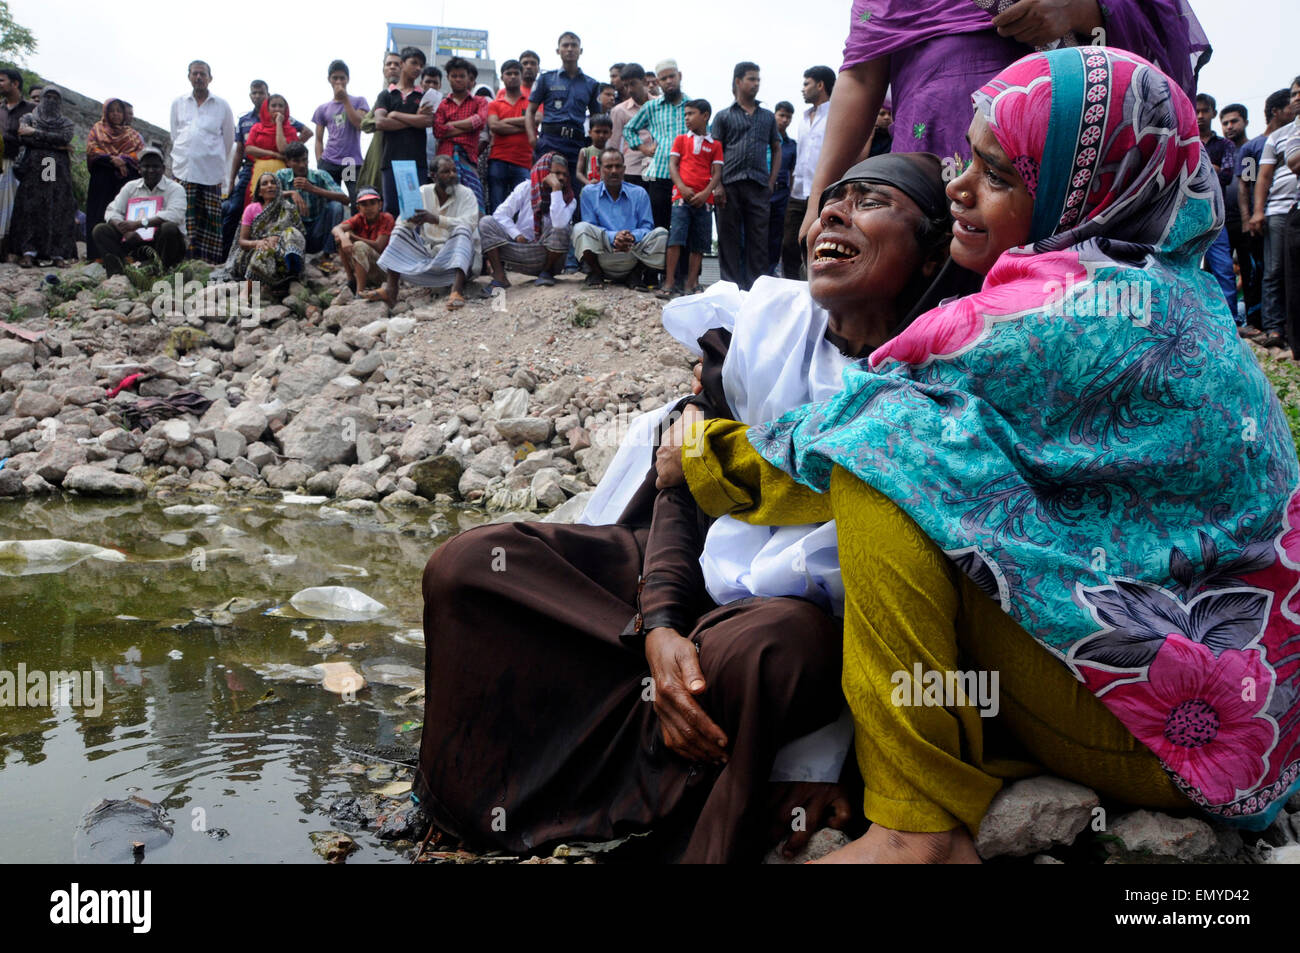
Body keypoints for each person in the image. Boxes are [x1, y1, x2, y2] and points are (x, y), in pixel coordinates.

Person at [657, 47, 1300, 862]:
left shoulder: (1053, 311)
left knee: (882, 453)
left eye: (996, 174)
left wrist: (702, 456)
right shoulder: (1174, 289)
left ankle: (911, 828)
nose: (958, 186)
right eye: (967, 158)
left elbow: (843, 434)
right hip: (1256, 727)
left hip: (1176, 747)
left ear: (1079, 184)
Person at [414, 151, 972, 864]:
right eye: (833, 198)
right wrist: (661, 624)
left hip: (808, 619)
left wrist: (831, 760)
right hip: (694, 573)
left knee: (758, 656)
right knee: (470, 567)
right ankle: (476, 807)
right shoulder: (763, 330)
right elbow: (679, 481)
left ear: (929, 255)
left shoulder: (939, 379)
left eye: (871, 202)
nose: (833, 212)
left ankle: (677, 811)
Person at [797, 0, 1211, 247]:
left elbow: (1158, 23)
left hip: (1048, 151)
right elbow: (861, 73)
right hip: (924, 147)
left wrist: (1082, 9)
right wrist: (821, 201)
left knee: (1047, 301)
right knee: (927, 289)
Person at [371, 154, 479, 310]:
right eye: (446, 172)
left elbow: (471, 223)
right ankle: (391, 290)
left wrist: (436, 219)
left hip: (458, 262)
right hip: (428, 257)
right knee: (401, 230)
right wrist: (411, 219)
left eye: (454, 171)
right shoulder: (421, 192)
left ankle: (456, 292)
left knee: (462, 229)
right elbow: (401, 222)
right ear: (433, 176)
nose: (452, 175)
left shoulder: (466, 193)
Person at [711, 62, 780, 290]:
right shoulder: (723, 116)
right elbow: (716, 152)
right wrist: (717, 185)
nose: (756, 84)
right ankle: (730, 291)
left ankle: (755, 292)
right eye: (751, 79)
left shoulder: (768, 117)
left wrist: (771, 182)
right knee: (728, 240)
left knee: (759, 242)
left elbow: (776, 148)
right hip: (729, 184)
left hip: (759, 185)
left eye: (758, 79)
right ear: (738, 81)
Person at [1249, 77, 1300, 353]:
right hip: (1280, 211)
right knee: (1275, 270)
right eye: (1293, 94)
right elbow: (1261, 177)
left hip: (1295, 211)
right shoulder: (1276, 139)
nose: (1296, 98)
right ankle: (1274, 328)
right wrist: (1257, 212)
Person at [1238, 90, 1294, 336]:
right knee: (1266, 270)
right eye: (1290, 104)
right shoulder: (1254, 148)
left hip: (1287, 213)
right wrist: (1250, 214)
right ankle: (1267, 324)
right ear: (1276, 111)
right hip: (1267, 215)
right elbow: (1248, 182)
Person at [170, 60, 236, 264]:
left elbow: (228, 140)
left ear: (210, 78)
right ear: (189, 76)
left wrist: (210, 157)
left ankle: (209, 265)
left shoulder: (222, 105)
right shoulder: (178, 103)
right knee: (186, 219)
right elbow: (175, 135)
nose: (198, 77)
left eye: (203, 74)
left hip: (210, 172)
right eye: (195, 74)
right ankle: (184, 262)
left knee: (210, 221)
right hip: (184, 171)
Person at [480, 152, 576, 290]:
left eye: (564, 174)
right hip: (520, 249)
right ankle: (500, 277)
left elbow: (559, 224)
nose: (561, 178)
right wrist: (517, 235)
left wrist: (556, 190)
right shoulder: (526, 187)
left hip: (548, 254)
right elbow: (500, 214)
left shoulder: (570, 199)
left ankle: (546, 273)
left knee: (563, 228)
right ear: (544, 171)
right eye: (556, 173)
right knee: (486, 222)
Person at [572, 148, 667, 287]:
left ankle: (635, 275)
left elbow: (648, 227)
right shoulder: (589, 192)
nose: (614, 171)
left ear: (624, 169)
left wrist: (632, 237)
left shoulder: (639, 193)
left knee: (662, 234)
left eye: (618, 166)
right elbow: (589, 225)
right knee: (580, 228)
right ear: (599, 170)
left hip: (633, 253)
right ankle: (596, 272)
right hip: (602, 253)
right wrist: (614, 236)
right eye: (608, 166)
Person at [659, 99, 723, 298]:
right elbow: (673, 165)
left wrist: (706, 194)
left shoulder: (715, 145)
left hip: (705, 201)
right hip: (681, 197)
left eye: (691, 114)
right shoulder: (680, 140)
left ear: (705, 116)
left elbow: (717, 173)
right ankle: (669, 282)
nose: (687, 118)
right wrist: (681, 187)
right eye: (685, 114)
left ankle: (689, 285)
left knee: (699, 244)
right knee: (675, 240)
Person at [94, 144, 187, 274]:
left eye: (155, 166)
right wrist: (125, 230)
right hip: (134, 239)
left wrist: (138, 224)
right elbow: (112, 211)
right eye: (146, 166)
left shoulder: (176, 189)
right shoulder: (130, 187)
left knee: (169, 228)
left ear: (164, 169)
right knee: (101, 230)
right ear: (139, 169)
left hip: (163, 243)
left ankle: (162, 271)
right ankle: (120, 273)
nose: (151, 170)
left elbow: (175, 215)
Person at [11, 85, 77, 267]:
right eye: (48, 96)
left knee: (56, 207)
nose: (52, 101)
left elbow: (65, 137)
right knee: (31, 207)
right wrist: (51, 140)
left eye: (56, 98)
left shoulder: (66, 122)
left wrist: (36, 134)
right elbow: (24, 137)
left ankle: (57, 253)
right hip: (33, 167)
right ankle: (28, 251)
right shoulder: (29, 117)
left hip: (56, 167)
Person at [213, 170, 306, 290]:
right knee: (265, 249)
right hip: (254, 253)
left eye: (273, 182)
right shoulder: (251, 209)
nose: (270, 185)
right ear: (260, 192)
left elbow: (300, 234)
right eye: (265, 183)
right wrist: (259, 243)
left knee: (292, 232)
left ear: (279, 187)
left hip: (281, 251)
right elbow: (242, 242)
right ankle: (247, 292)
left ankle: (292, 271)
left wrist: (279, 237)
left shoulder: (288, 208)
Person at [781, 66, 833, 280]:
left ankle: (814, 290)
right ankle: (792, 289)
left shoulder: (836, 113)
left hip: (824, 192)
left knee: (819, 244)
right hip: (798, 191)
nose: (803, 89)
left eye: (806, 84)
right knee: (789, 244)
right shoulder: (802, 119)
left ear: (820, 85)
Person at [526, 32, 602, 174]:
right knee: (546, 188)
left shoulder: (592, 84)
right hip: (549, 141)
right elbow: (530, 111)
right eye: (565, 45)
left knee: (575, 189)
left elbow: (596, 117)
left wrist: (593, 145)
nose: (570, 49)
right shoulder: (545, 79)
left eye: (574, 45)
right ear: (558, 51)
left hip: (577, 144)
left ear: (580, 51)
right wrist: (532, 139)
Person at [375, 47, 435, 216]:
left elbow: (427, 121)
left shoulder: (424, 96)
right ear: (402, 64)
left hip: (417, 162)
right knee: (391, 210)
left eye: (421, 65)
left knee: (414, 211)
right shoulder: (386, 95)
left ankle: (411, 244)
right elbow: (380, 122)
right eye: (414, 63)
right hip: (390, 160)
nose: (418, 68)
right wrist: (413, 120)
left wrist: (395, 115)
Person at [83, 98, 144, 262]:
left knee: (122, 215)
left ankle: (123, 254)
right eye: (112, 110)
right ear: (106, 112)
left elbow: (140, 155)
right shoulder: (97, 129)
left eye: (119, 110)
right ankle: (97, 256)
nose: (116, 114)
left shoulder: (132, 135)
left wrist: (124, 160)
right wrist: (112, 159)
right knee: (99, 214)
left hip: (124, 181)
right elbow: (92, 150)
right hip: (102, 180)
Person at [1198, 93, 1238, 318]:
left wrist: (1202, 170)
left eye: (1205, 110)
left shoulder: (1225, 145)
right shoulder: (1186, 138)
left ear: (1213, 112)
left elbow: (1227, 175)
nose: (1201, 115)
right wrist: (1212, 169)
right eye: (1197, 111)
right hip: (1188, 216)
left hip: (1216, 215)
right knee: (1185, 268)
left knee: (1223, 268)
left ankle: (1230, 320)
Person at [433, 57, 490, 214]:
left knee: (472, 202)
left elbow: (479, 121)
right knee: (443, 202)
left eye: (462, 76)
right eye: (454, 76)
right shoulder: (442, 104)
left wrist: (450, 125)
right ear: (448, 78)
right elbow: (438, 130)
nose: (458, 79)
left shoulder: (480, 101)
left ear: (468, 77)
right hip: (445, 159)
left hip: (469, 158)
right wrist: (467, 127)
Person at [313, 60, 369, 208]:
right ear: (329, 80)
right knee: (330, 204)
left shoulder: (359, 101)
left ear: (348, 79)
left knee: (356, 200)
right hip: (329, 162)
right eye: (335, 78)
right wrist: (320, 163)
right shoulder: (322, 109)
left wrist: (345, 100)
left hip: (350, 162)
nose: (338, 81)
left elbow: (359, 124)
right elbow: (318, 139)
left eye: (342, 78)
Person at [276, 142, 348, 254]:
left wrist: (312, 188)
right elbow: (264, 196)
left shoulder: (320, 175)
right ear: (288, 162)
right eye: (296, 161)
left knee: (336, 206)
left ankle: (328, 254)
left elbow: (345, 199)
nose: (302, 165)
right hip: (294, 230)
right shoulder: (281, 175)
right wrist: (291, 193)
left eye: (304, 160)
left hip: (317, 229)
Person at [485, 60, 532, 213]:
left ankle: (519, 237)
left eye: (516, 73)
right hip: (499, 159)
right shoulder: (494, 104)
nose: (512, 77)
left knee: (523, 207)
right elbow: (494, 126)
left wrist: (505, 122)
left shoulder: (531, 102)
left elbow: (536, 120)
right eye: (508, 74)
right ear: (502, 77)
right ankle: (496, 236)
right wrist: (525, 126)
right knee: (497, 204)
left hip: (523, 161)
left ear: (522, 76)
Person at [333, 186, 394, 296]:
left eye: (372, 203)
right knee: (340, 238)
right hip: (366, 268)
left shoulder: (386, 218)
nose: (369, 207)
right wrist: (344, 238)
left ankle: (359, 292)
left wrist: (352, 237)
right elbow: (336, 229)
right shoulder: (359, 218)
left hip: (383, 272)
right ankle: (352, 280)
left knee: (359, 245)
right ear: (358, 208)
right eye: (364, 204)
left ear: (380, 205)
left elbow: (379, 245)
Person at [241, 94, 300, 205]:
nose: (277, 109)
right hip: (259, 173)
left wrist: (278, 123)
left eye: (280, 106)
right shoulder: (257, 127)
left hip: (283, 174)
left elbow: (283, 149)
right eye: (273, 106)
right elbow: (248, 149)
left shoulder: (290, 130)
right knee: (257, 205)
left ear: (285, 109)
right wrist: (274, 154)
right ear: (267, 109)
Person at [358, 53, 404, 194]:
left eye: (397, 64)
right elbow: (365, 123)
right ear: (383, 69)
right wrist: (384, 122)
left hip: (404, 155)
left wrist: (391, 120)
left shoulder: (411, 95)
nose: (392, 67)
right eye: (389, 64)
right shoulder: (384, 96)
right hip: (379, 154)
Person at [0, 69, 34, 258]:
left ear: (15, 84)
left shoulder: (30, 109)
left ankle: (17, 249)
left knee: (18, 209)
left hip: (22, 167)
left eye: (1, 80)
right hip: (1, 163)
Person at [610, 63, 651, 188]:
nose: (629, 90)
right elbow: (614, 144)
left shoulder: (659, 105)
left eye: (633, 84)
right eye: (626, 85)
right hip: (632, 169)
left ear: (644, 81)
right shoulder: (619, 111)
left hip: (658, 168)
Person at [769, 101, 796, 278]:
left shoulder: (792, 145)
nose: (784, 120)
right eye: (781, 115)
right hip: (762, 192)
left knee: (777, 235)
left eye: (788, 117)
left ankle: (772, 272)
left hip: (782, 194)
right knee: (758, 234)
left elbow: (793, 172)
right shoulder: (765, 140)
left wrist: (791, 194)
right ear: (774, 115)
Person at [575, 114, 611, 189]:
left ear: (610, 134)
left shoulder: (610, 153)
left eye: (605, 132)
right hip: (589, 190)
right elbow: (578, 173)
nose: (601, 135)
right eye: (597, 132)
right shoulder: (585, 151)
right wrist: (588, 183)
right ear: (590, 132)